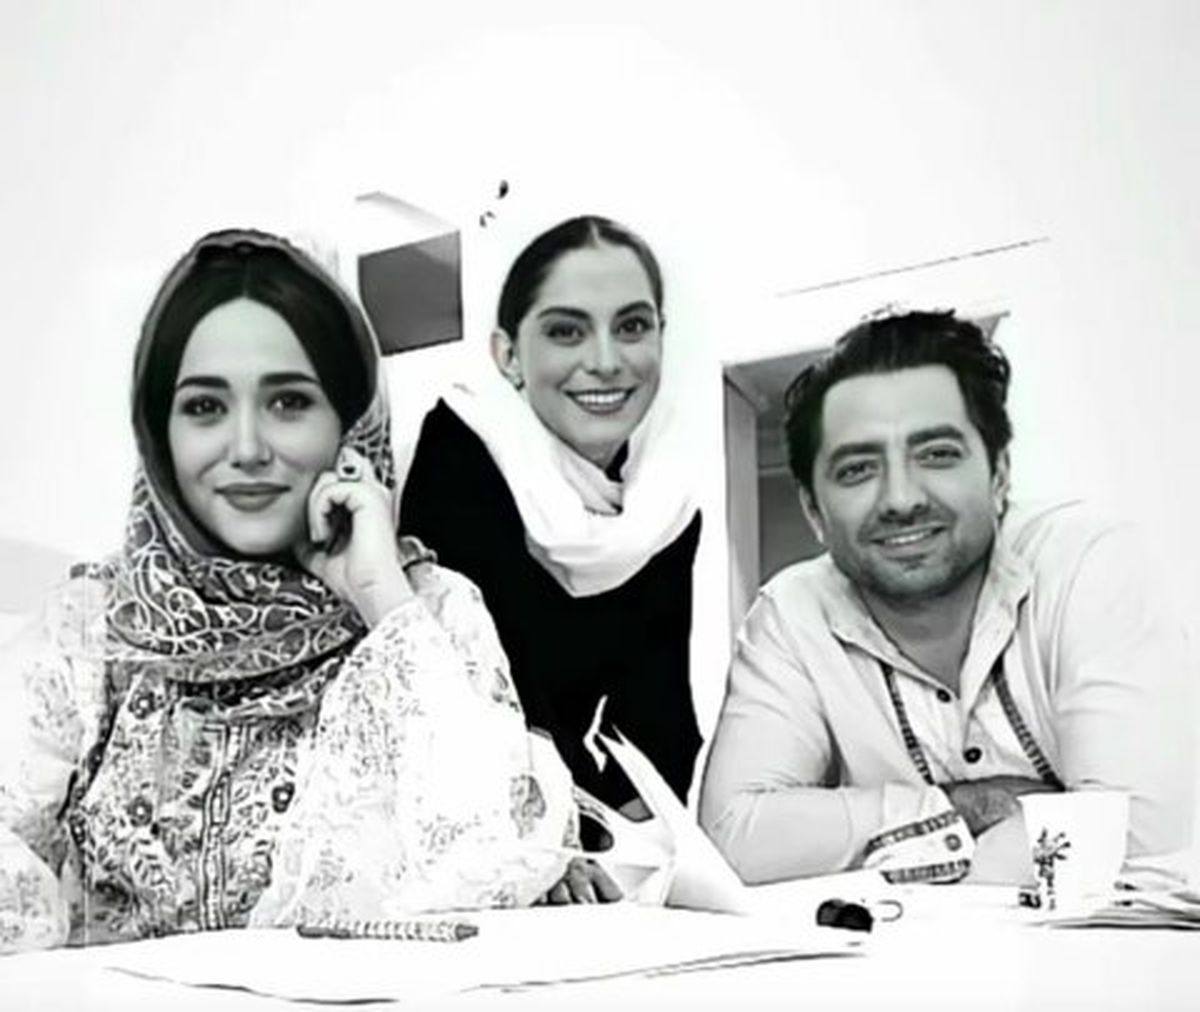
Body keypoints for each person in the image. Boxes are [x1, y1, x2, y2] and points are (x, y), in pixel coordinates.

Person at [0, 229, 575, 953]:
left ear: (350, 424)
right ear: (159, 432)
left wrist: (377, 596)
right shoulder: (91, 632)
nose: (247, 448)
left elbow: (495, 858)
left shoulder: (429, 612)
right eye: (204, 408)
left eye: (289, 402)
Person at [700, 309, 1195, 886]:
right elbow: (732, 839)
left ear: (1000, 474)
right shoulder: (791, 613)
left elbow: (1142, 840)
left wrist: (892, 848)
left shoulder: (1087, 566)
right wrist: (970, 806)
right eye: (857, 469)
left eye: (936, 454)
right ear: (814, 510)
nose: (901, 499)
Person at [401, 216, 703, 828]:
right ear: (508, 355)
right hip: (454, 806)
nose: (606, 361)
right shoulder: (459, 450)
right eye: (567, 331)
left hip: (570, 814)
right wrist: (574, 843)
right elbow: (485, 703)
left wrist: (634, 849)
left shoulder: (663, 504)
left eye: (632, 327)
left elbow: (660, 724)